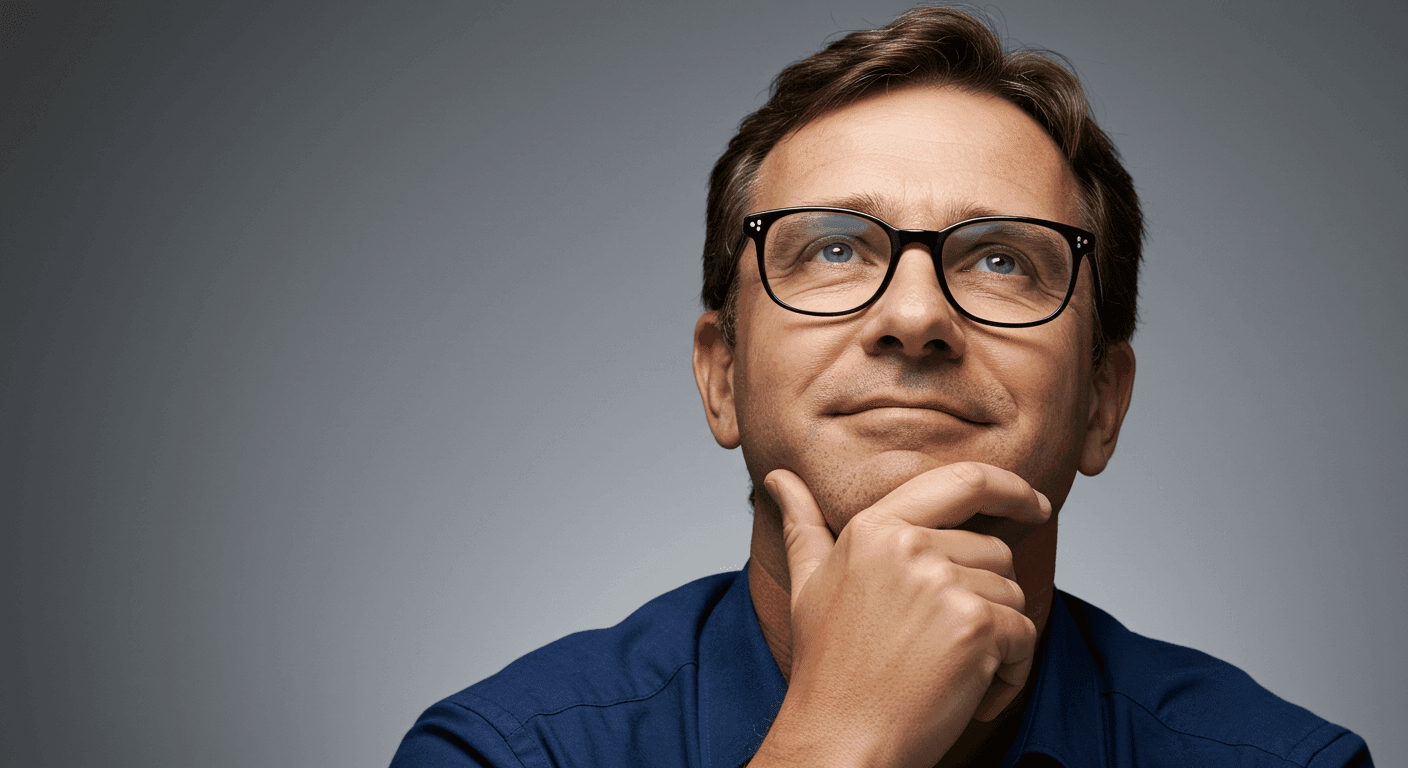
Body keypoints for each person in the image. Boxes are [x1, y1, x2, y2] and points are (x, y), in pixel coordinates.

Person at [390, 7, 1372, 767]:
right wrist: (837, 741)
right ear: (722, 378)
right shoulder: (509, 753)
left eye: (1001, 261)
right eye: (831, 248)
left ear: (1101, 404)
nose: (913, 316)